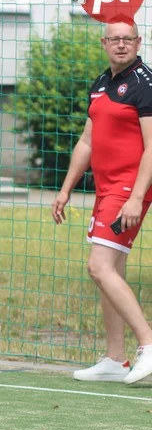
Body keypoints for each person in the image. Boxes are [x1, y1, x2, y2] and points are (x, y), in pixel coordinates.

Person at [52, 20, 152, 385]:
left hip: (128, 190)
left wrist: (137, 197)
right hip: (105, 189)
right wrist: (65, 189)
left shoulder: (144, 84)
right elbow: (87, 142)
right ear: (104, 43)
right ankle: (115, 358)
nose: (121, 45)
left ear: (138, 42)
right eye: (115, 39)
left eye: (128, 39)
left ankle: (148, 343)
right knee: (111, 271)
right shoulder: (101, 83)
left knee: (98, 267)